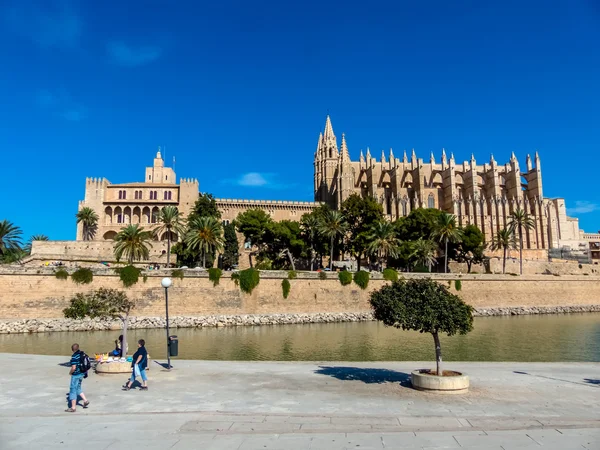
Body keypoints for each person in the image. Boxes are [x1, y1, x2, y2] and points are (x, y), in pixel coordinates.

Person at [66, 343, 89, 412]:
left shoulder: (74, 356)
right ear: (78, 348)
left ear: (72, 349)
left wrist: (70, 373)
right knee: (78, 388)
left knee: (73, 390)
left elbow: (73, 367)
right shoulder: (81, 354)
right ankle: (85, 400)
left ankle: (73, 407)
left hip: (76, 375)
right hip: (81, 374)